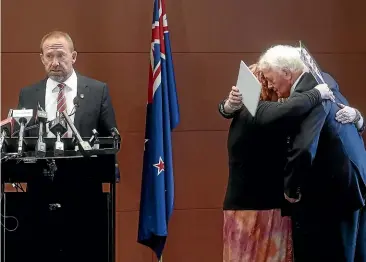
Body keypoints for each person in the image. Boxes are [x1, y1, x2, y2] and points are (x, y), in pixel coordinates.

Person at [257, 45, 366, 262]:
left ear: (287, 73)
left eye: (270, 79)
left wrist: (291, 189)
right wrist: (360, 121)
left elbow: (304, 147)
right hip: (351, 182)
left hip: (336, 190)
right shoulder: (323, 79)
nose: (269, 85)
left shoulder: (313, 93)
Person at [16, 31, 117, 262]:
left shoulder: (97, 90)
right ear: (41, 58)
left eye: (61, 55)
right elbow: (23, 139)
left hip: (85, 194)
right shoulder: (29, 94)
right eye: (49, 56)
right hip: (40, 193)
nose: (55, 62)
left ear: (73, 56)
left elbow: (110, 139)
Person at [219, 63, 335, 262]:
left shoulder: (245, 112)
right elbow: (291, 107)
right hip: (260, 210)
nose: (275, 87)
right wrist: (317, 93)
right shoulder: (258, 112)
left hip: (246, 209)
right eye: (269, 82)